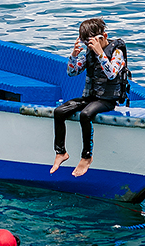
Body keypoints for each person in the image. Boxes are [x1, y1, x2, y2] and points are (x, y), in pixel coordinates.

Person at [51, 17, 127, 177]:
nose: (89, 47)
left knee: (85, 115)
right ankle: (61, 152)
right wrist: (73, 55)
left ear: (104, 37)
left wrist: (101, 54)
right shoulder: (89, 52)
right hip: (91, 97)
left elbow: (112, 74)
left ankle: (86, 156)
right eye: (87, 44)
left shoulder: (117, 52)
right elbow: (72, 72)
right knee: (59, 111)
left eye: (91, 43)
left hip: (107, 100)